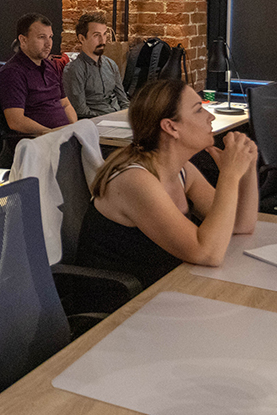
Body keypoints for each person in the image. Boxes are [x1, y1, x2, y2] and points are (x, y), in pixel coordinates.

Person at [75, 79, 259, 290]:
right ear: (171, 127)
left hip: (168, 287)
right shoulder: (134, 180)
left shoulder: (183, 170)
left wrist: (248, 167)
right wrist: (230, 175)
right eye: (198, 110)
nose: (211, 117)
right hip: (127, 303)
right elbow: (208, 254)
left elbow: (241, 225)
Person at [0, 13, 78, 135]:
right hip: (39, 140)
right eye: (41, 37)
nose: (48, 43)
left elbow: (65, 104)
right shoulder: (12, 72)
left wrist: (75, 130)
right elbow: (16, 121)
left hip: (64, 136)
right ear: (23, 40)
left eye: (50, 37)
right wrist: (53, 134)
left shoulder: (51, 66)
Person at [63, 12, 129, 118]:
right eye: (96, 35)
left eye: (104, 34)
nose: (102, 40)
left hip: (117, 118)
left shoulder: (111, 64)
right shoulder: (74, 69)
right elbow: (81, 111)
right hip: (95, 121)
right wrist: (109, 119)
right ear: (82, 38)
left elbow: (123, 100)